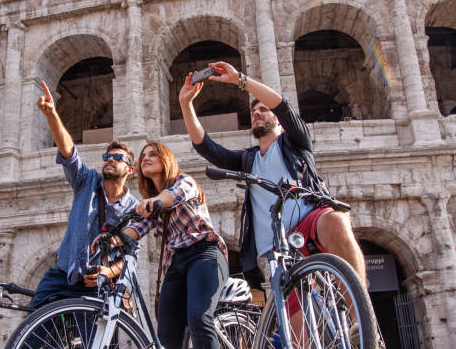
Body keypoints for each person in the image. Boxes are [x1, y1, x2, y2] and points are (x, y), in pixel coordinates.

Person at [178, 61, 367, 286]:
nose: (256, 113)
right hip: (277, 247)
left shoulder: (296, 142)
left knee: (336, 220)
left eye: (263, 109)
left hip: (310, 221)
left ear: (277, 119)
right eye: (253, 111)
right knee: (293, 320)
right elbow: (205, 146)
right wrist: (185, 103)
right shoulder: (247, 160)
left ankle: (360, 316)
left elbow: (283, 106)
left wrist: (241, 80)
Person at [30, 80, 139, 309]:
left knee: (93, 341)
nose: (110, 159)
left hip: (94, 283)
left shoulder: (133, 208)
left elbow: (130, 255)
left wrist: (108, 271)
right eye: (107, 156)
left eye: (118, 158)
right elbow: (69, 152)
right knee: (32, 329)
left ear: (130, 169)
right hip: (61, 273)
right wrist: (52, 115)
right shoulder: (86, 181)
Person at [120, 141, 228, 349]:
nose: (145, 159)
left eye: (152, 154)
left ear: (166, 159)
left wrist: (157, 201)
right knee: (166, 334)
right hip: (175, 265)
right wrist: (112, 239)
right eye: (142, 157)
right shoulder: (154, 203)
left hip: (204, 253)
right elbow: (137, 228)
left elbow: (174, 195)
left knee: (199, 317)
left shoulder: (185, 182)